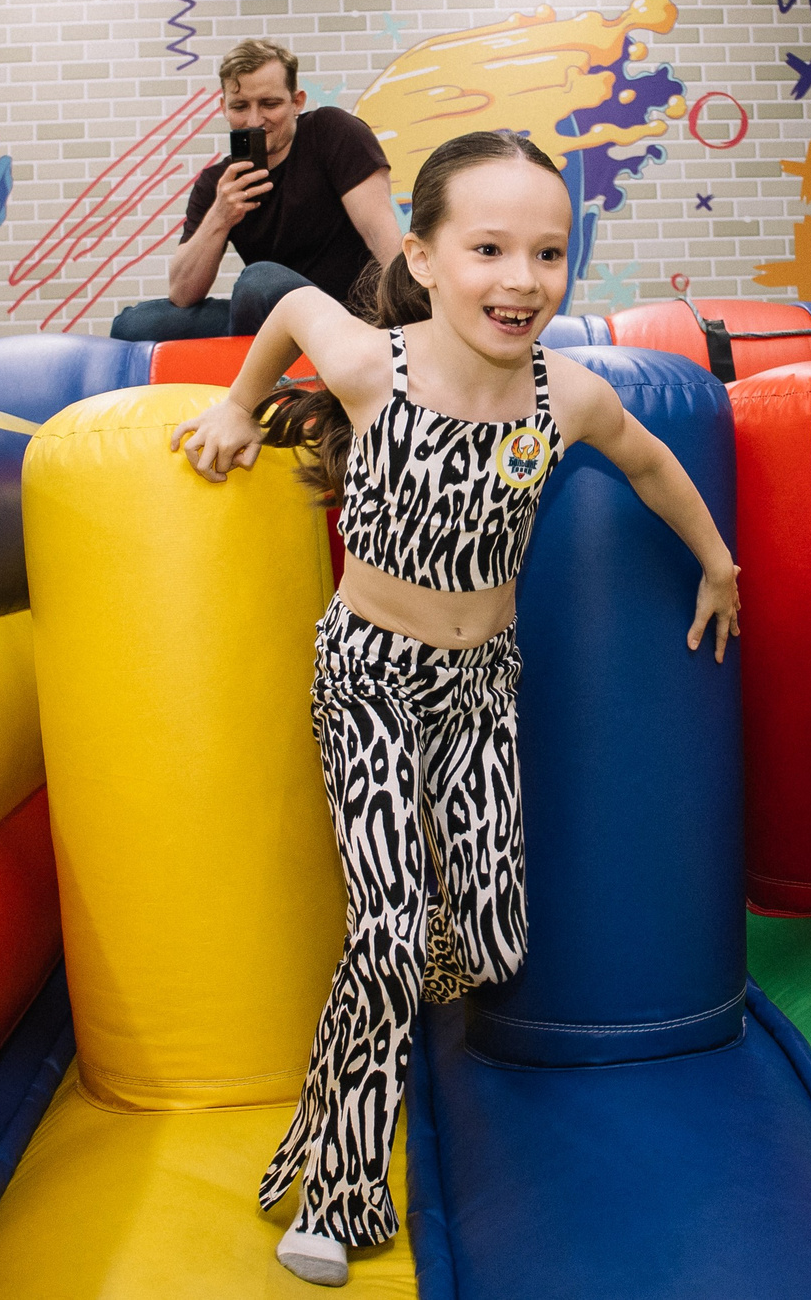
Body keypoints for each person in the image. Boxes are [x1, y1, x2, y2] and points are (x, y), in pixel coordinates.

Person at [168, 129, 739, 1287]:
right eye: (486, 248)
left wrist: (718, 562)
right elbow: (279, 307)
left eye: (546, 252)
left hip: (480, 689)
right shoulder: (376, 362)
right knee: (382, 934)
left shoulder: (563, 394)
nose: (520, 279)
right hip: (371, 677)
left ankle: (392, 977)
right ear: (422, 258)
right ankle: (335, 1185)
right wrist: (235, 407)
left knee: (485, 939)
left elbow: (649, 463)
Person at [112, 39, 403, 341]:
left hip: (345, 313)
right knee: (133, 325)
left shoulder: (331, 132)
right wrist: (220, 217)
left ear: (297, 101)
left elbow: (381, 234)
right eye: (240, 106)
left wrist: (412, 320)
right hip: (268, 317)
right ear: (223, 108)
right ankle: (257, 359)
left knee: (259, 280)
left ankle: (250, 382)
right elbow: (182, 294)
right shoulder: (218, 182)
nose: (254, 120)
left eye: (269, 104)